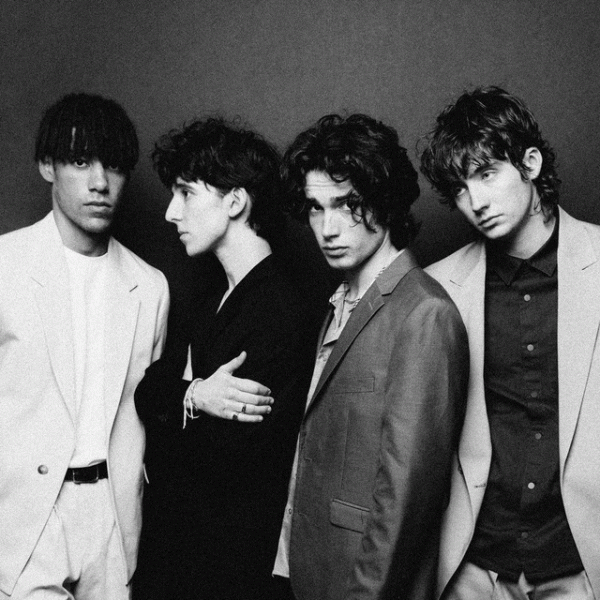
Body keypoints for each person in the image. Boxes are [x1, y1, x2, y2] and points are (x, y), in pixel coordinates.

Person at [271, 113, 469, 600]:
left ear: (385, 201)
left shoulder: (424, 313)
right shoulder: (338, 304)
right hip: (311, 570)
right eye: (315, 208)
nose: (327, 228)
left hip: (364, 584)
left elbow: (405, 497)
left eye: (347, 204)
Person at [421, 86, 600, 599]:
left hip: (580, 560)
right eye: (459, 189)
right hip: (474, 565)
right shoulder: (438, 288)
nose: (475, 202)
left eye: (486, 173)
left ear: (530, 163)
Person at [133, 117, 323, 600]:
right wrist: (196, 395)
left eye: (186, 193)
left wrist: (177, 409)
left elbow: (231, 460)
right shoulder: (207, 298)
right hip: (178, 559)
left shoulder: (284, 308)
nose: (171, 213)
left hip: (228, 571)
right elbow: (146, 392)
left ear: (235, 201)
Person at [0, 93, 169, 599]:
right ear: (47, 166)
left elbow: (148, 407)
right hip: (24, 515)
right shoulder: (6, 266)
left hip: (112, 518)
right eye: (79, 162)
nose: (99, 182)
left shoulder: (149, 286)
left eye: (113, 165)